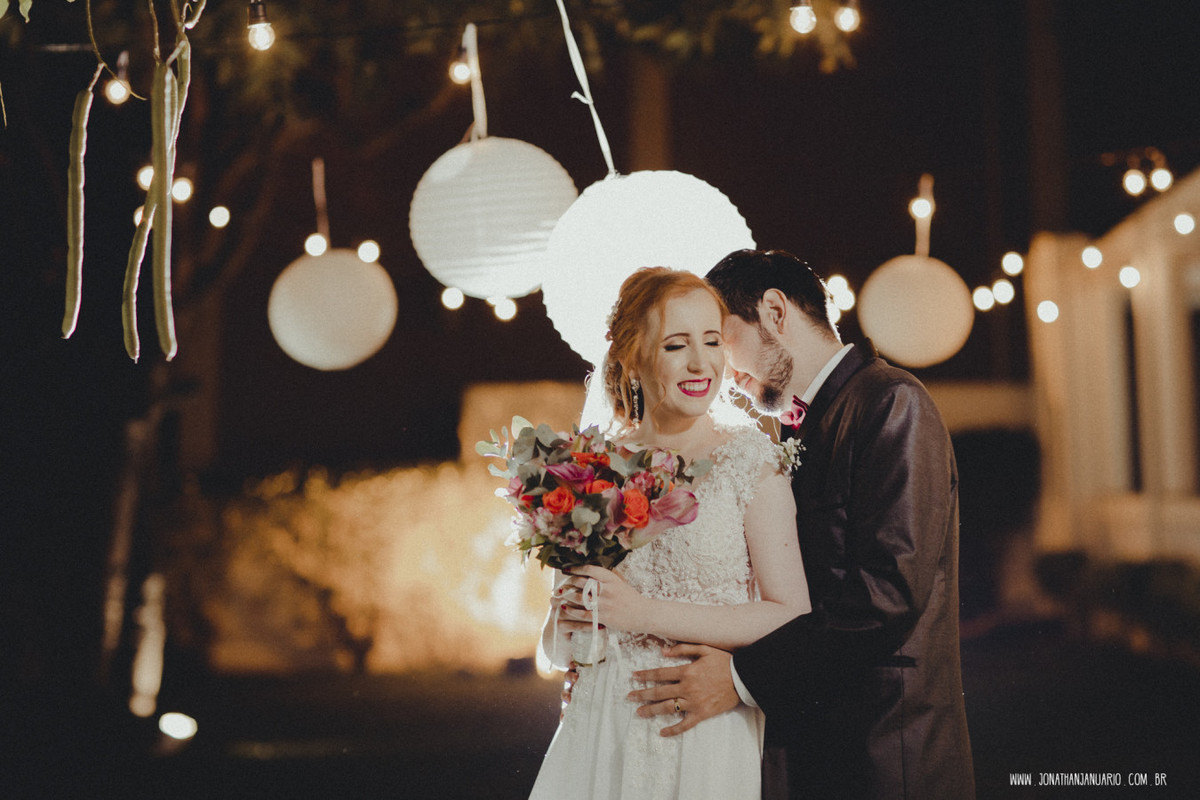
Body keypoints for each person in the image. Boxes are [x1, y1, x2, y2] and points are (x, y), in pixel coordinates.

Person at [628, 250, 976, 799]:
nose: (722, 369)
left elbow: (885, 596)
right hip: (815, 742)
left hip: (885, 747)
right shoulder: (793, 434)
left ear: (773, 311)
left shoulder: (890, 404)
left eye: (722, 337)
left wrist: (743, 679)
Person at [528, 266, 812, 800]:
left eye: (711, 341)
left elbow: (790, 611)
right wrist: (571, 612)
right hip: (603, 723)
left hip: (702, 727)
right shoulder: (593, 468)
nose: (701, 362)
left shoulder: (749, 460)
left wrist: (644, 613)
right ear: (634, 357)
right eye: (677, 345)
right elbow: (565, 644)